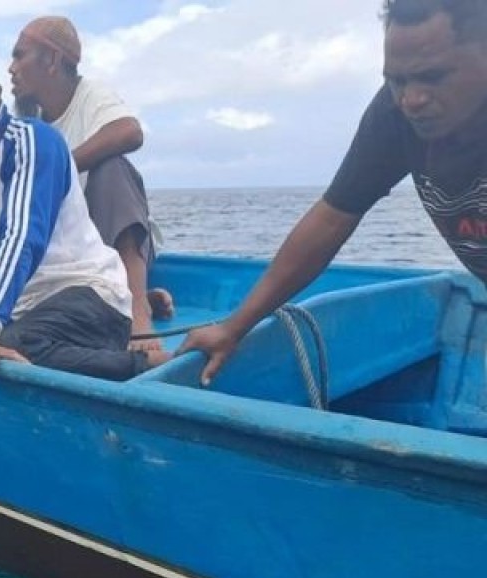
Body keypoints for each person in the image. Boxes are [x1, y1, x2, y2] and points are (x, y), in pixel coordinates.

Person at [179, 0, 487, 385]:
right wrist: (234, 327)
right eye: (397, 80)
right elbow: (330, 219)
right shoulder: (394, 117)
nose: (411, 99)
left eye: (432, 76)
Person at [0, 28, 169, 381]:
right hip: (14, 313)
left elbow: (20, 236)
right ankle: (14, 350)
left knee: (14, 338)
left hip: (86, 298)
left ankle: (142, 365)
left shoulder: (33, 142)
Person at [9, 16, 172, 352]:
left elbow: (130, 131)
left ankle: (137, 311)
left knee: (112, 168)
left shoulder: (90, 95)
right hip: (71, 257)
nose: (11, 69)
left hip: (117, 240)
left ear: (52, 60)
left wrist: (58, 168)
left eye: (19, 56)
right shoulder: (24, 123)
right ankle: (124, 299)